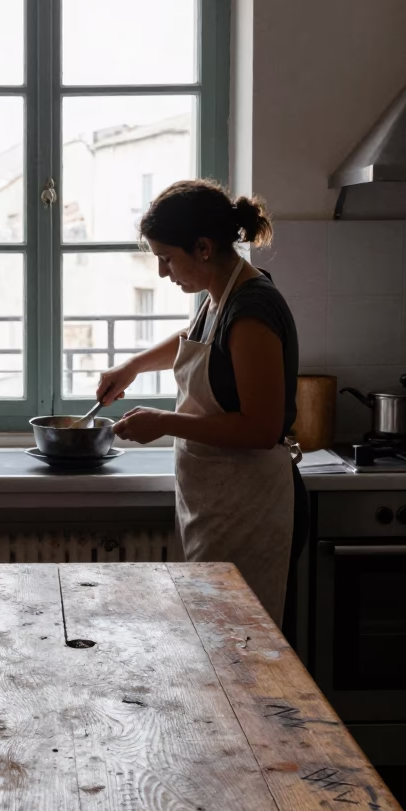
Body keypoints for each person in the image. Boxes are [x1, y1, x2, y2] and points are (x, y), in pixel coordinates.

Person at [97, 179, 308, 629]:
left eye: (167, 258)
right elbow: (196, 339)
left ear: (204, 248)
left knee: (245, 654)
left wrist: (166, 422)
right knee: (217, 639)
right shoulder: (221, 296)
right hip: (221, 502)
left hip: (251, 507)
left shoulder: (252, 308)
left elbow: (260, 428)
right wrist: (133, 366)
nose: (162, 272)